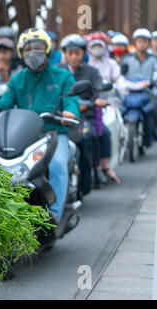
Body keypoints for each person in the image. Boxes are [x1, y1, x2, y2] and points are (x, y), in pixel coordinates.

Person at [0, 28, 80, 227]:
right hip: (25, 135)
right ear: (21, 53)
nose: (33, 53)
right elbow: (5, 103)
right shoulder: (17, 79)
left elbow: (71, 100)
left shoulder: (63, 76)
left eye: (38, 48)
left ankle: (55, 215)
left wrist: (70, 112)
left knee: (58, 165)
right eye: (28, 49)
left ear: (48, 51)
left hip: (53, 133)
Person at [58, 34, 110, 195]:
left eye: (77, 53)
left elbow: (99, 85)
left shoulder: (92, 71)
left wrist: (100, 98)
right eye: (70, 53)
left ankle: (95, 170)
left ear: (83, 54)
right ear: (65, 54)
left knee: (88, 136)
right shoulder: (57, 72)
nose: (74, 56)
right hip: (61, 117)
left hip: (86, 115)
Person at [87, 32, 125, 185]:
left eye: (99, 45)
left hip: (107, 103)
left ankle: (105, 166)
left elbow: (119, 80)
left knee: (107, 131)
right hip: (87, 105)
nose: (97, 48)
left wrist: (121, 90)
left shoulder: (111, 63)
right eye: (93, 45)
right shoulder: (86, 65)